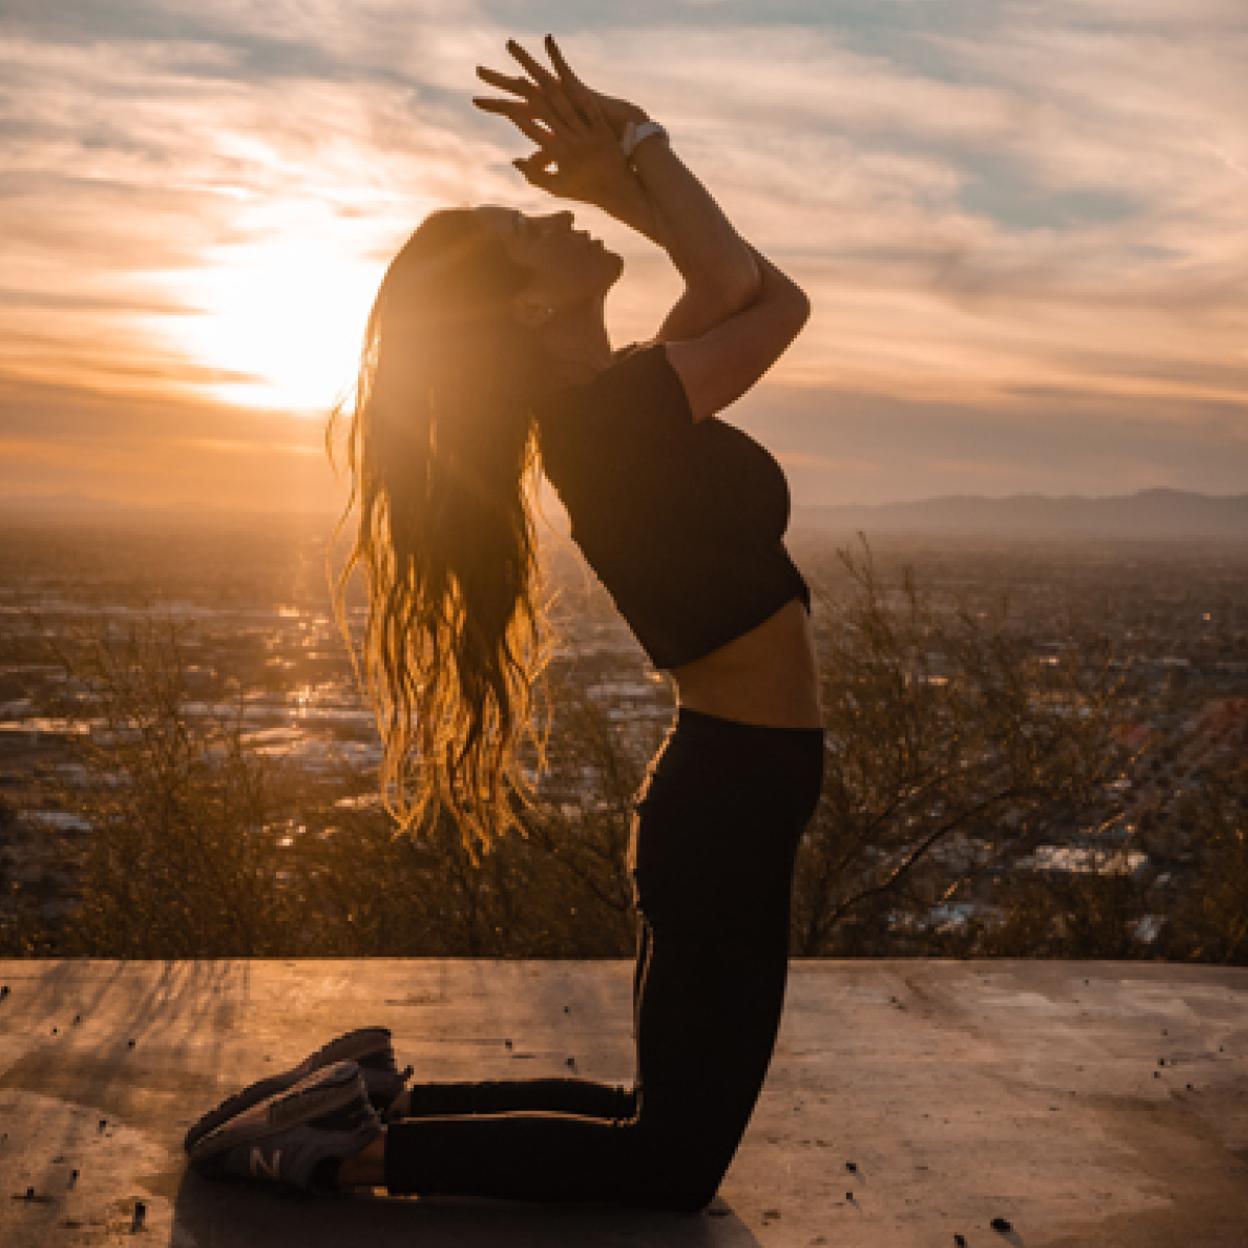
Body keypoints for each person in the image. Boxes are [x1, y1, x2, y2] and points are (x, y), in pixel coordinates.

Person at [184, 33, 824, 1214]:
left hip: (735, 784)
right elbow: (768, 299)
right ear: (529, 305)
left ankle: (367, 1104)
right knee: (667, 1168)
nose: (556, 223)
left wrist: (624, 182)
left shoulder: (612, 402)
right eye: (531, 232)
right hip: (732, 791)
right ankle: (351, 1152)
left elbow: (732, 289)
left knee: (653, 1126)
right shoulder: (612, 420)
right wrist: (635, 153)